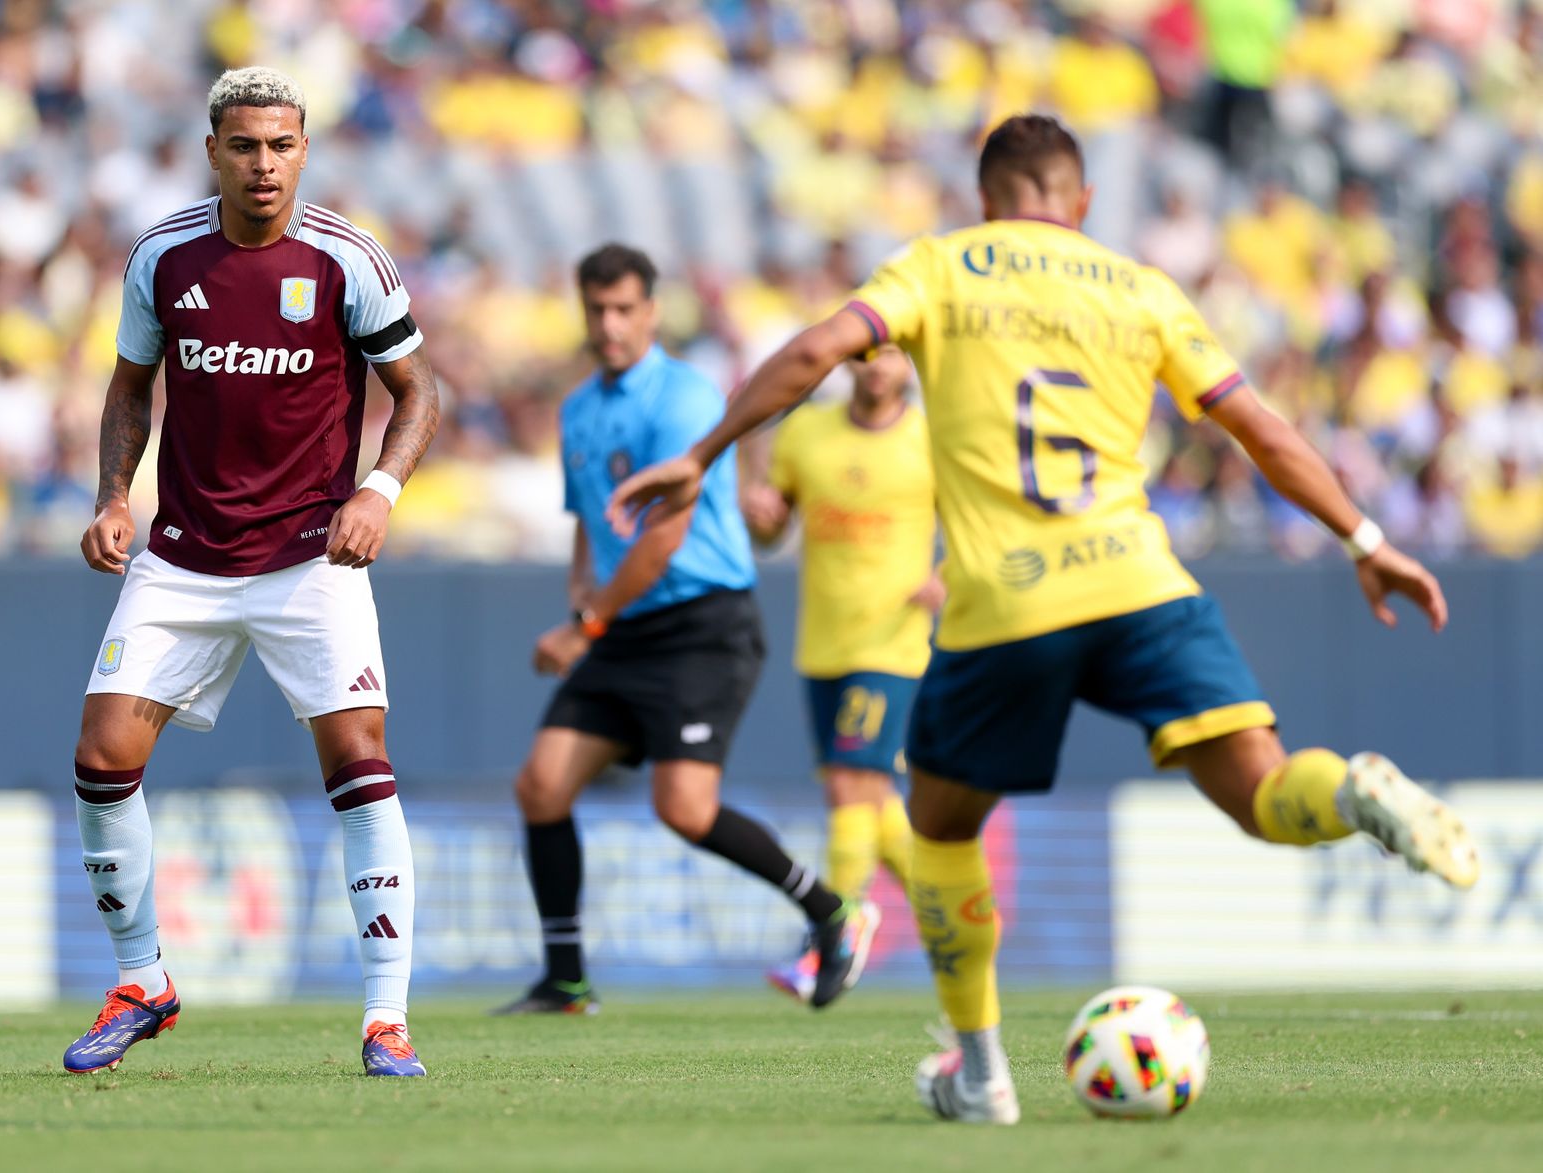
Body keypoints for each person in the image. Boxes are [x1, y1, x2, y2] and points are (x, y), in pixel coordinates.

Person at [608, 114, 1479, 1124]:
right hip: (1144, 586)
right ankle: (1353, 793)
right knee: (1266, 795)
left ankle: (980, 1078)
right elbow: (1259, 429)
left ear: (988, 199)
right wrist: (1367, 540)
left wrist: (706, 452)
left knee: (936, 827)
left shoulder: (941, 266)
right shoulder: (1142, 289)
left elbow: (814, 351)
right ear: (1083, 201)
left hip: (1006, 604)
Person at [64, 68, 439, 1078]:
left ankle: (385, 1018)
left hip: (310, 556)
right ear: (212, 152)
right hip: (184, 557)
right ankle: (142, 980)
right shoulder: (164, 256)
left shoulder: (345, 258)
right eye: (244, 146)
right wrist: (111, 496)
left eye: (280, 145)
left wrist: (379, 494)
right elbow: (130, 388)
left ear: (303, 150)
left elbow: (417, 393)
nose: (263, 164)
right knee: (102, 761)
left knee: (359, 763)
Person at [494, 243, 877, 1015]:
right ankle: (565, 980)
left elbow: (664, 535)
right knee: (541, 785)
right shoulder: (578, 409)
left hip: (703, 623)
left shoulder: (685, 398)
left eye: (624, 308)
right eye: (596, 309)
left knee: (685, 808)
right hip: (622, 626)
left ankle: (831, 913)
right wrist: (583, 609)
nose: (609, 324)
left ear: (653, 312)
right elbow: (587, 524)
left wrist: (587, 624)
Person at [741, 347, 939, 1002]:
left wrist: (951, 576)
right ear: (848, 362)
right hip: (823, 643)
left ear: (909, 363)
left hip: (892, 642)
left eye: (891, 354)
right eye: (865, 354)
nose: (878, 366)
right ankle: (952, 913)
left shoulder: (932, 437)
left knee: (855, 784)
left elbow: (983, 522)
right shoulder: (808, 431)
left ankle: (837, 928)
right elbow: (776, 527)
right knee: (862, 798)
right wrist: (764, 519)